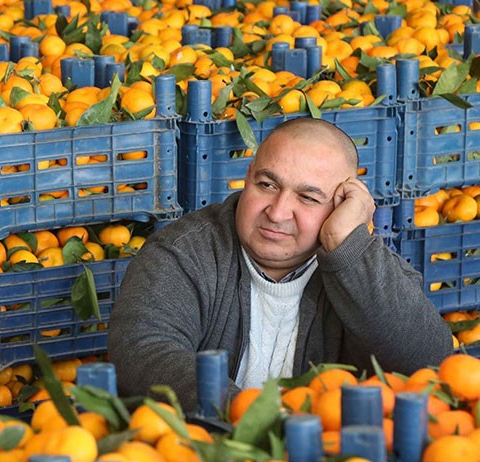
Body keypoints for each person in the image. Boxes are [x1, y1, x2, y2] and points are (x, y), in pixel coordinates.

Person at [107, 117, 452, 413]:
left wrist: (346, 244)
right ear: (248, 176)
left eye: (308, 197)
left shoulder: (365, 266)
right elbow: (143, 349)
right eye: (267, 184)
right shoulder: (186, 250)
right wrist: (254, 419)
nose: (278, 211)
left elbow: (429, 360)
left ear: (341, 204)